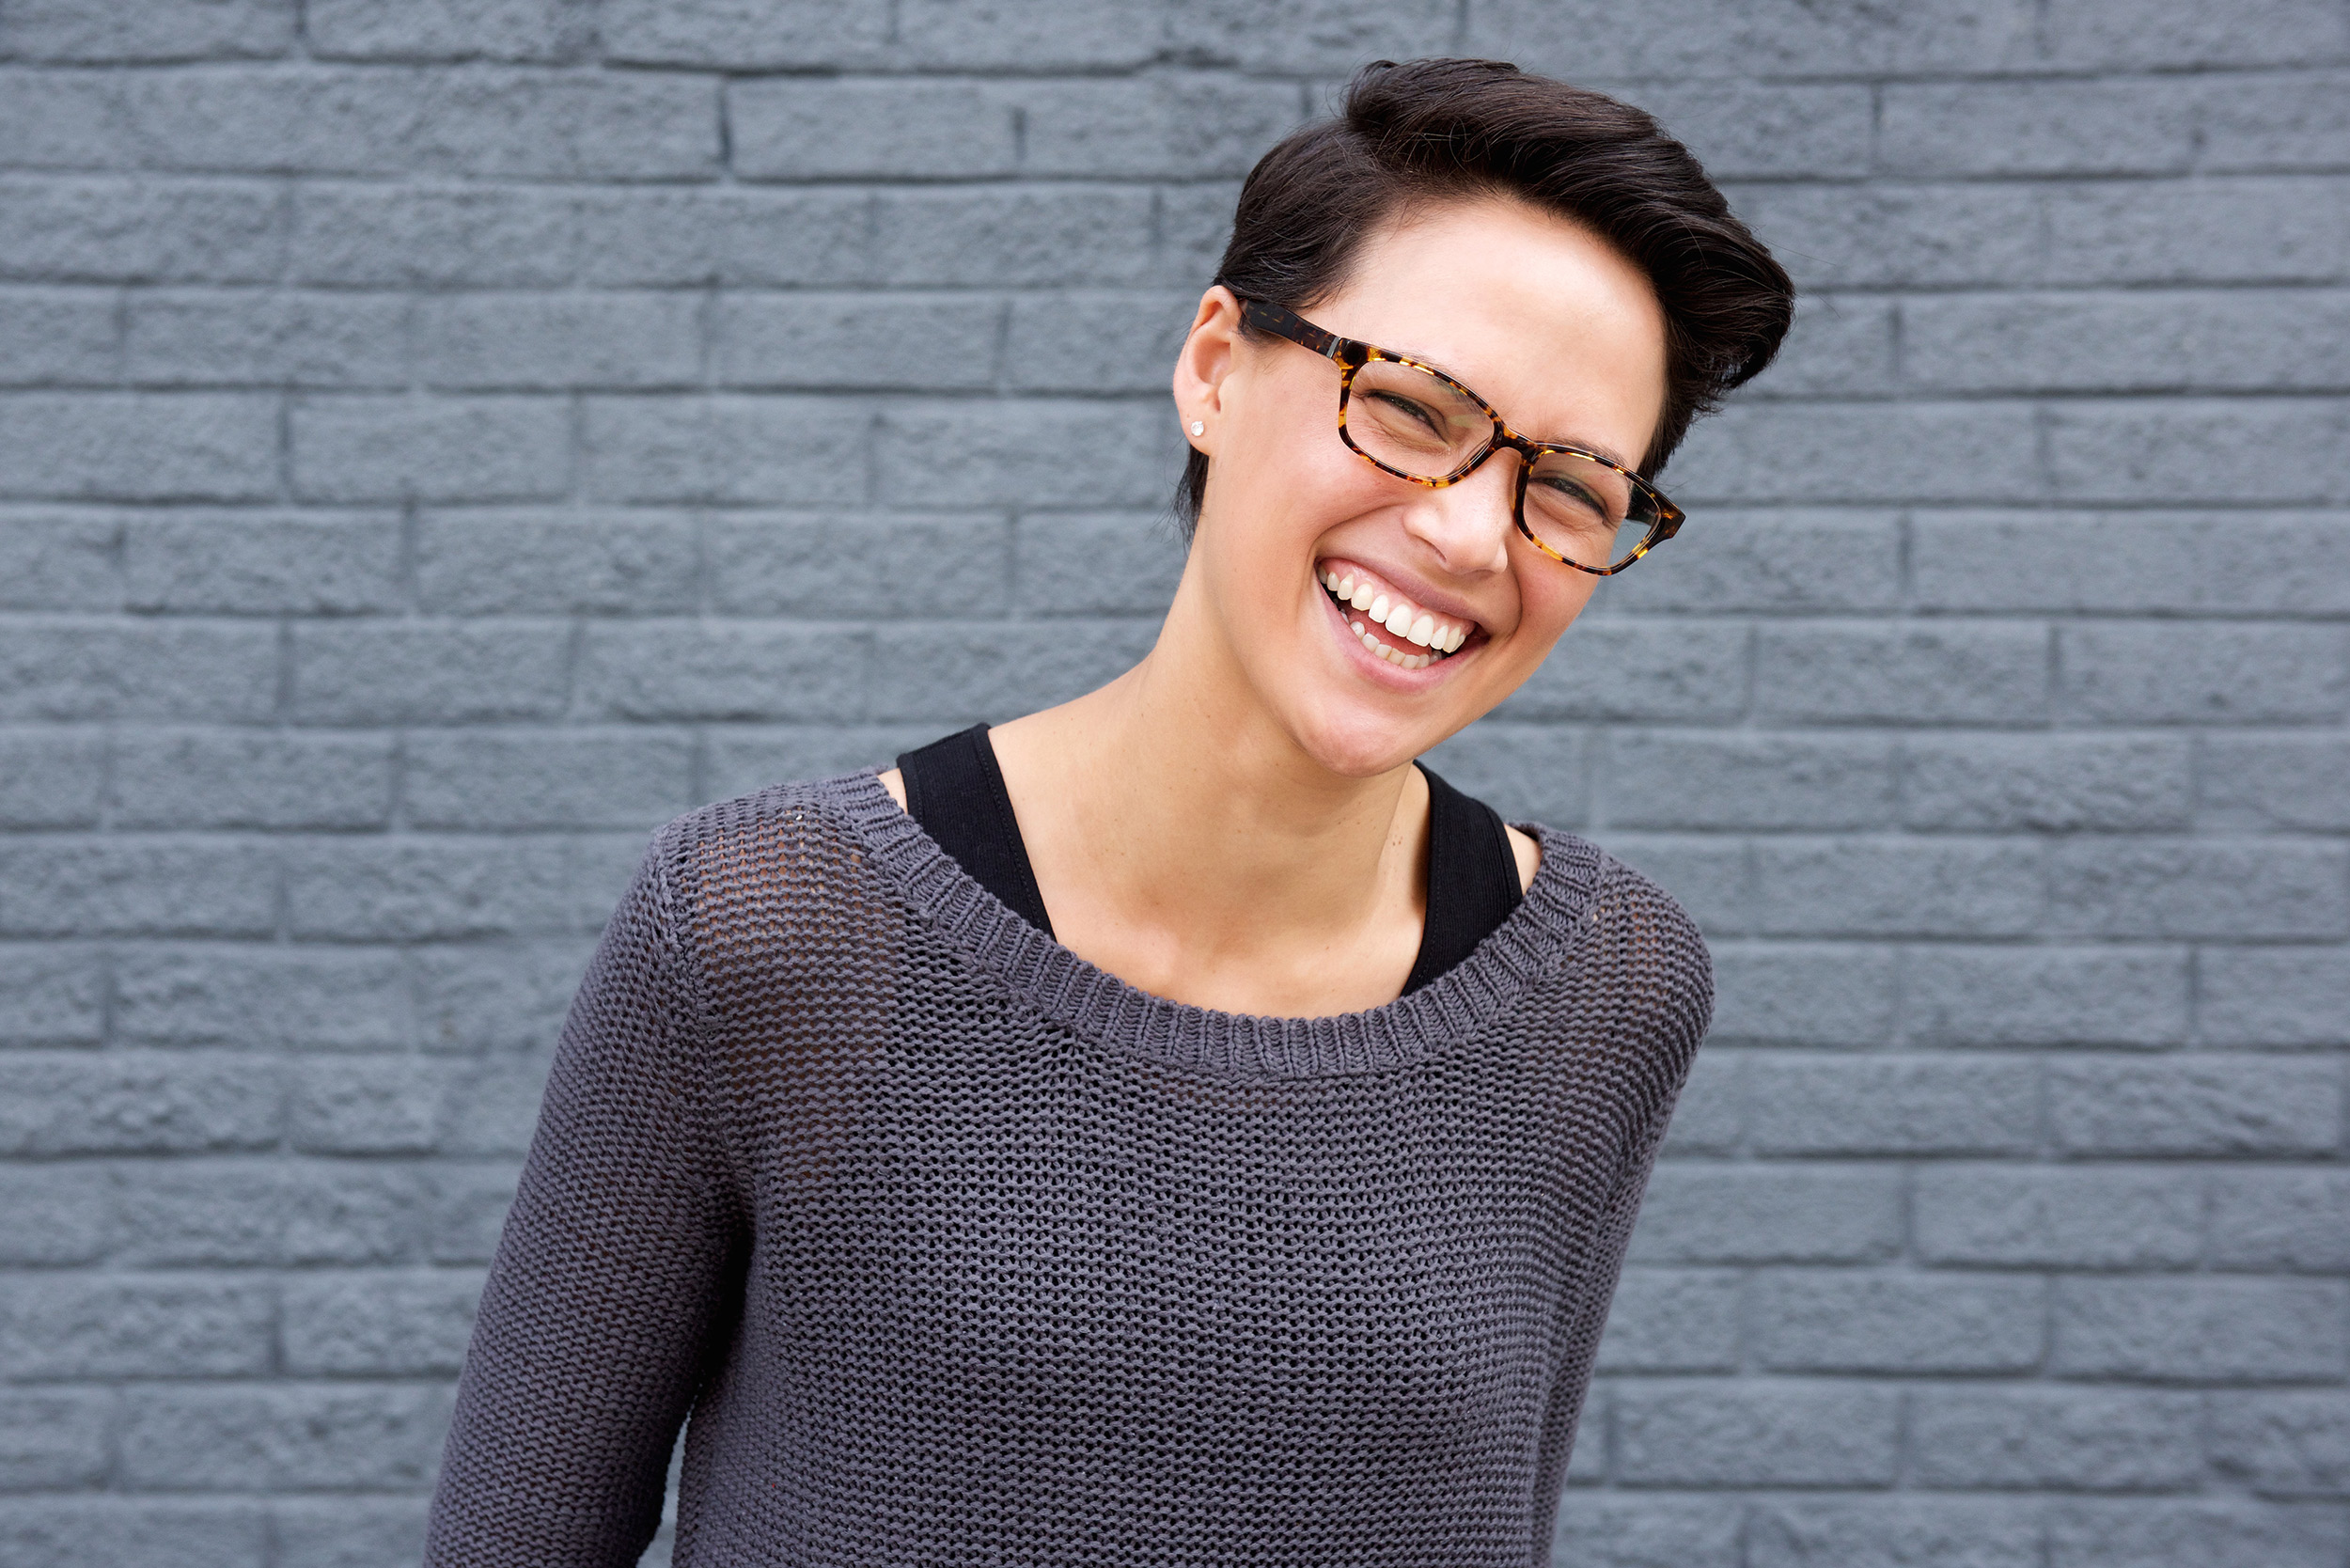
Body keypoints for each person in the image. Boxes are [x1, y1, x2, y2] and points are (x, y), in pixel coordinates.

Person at [424, 57, 1792, 1566]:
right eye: (1409, 408)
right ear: (1215, 367)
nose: (1471, 532)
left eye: (1574, 491)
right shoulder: (774, 930)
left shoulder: (1607, 991)